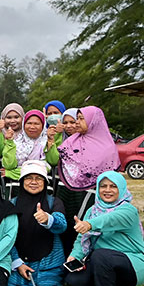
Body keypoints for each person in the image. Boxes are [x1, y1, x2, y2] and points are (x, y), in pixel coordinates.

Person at [66, 171, 144, 286]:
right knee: (74, 280)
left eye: (113, 186)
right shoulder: (93, 210)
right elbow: (82, 238)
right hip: (104, 262)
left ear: (121, 189)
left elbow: (110, 219)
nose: (107, 190)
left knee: (101, 255)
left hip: (133, 264)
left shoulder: (128, 210)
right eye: (103, 186)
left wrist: (89, 224)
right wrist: (75, 256)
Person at [56, 106, 121, 254]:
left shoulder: (106, 147)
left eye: (81, 119)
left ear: (93, 121)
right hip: (67, 190)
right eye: (77, 118)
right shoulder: (72, 141)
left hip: (90, 193)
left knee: (84, 228)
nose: (77, 122)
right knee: (65, 226)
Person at [6, 161, 68, 286]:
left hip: (48, 261)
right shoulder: (12, 204)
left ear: (45, 182)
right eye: (29, 178)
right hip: (19, 260)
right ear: (21, 181)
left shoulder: (54, 202)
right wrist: (17, 262)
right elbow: (7, 236)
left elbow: (62, 226)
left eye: (38, 178)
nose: (33, 182)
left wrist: (48, 219)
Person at [0, 106, 59, 198]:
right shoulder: (15, 141)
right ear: (24, 124)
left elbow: (52, 163)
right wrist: (9, 142)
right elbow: (9, 165)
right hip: (16, 187)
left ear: (42, 125)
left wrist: (12, 173)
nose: (32, 127)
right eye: (29, 123)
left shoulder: (47, 141)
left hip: (41, 188)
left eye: (36, 124)